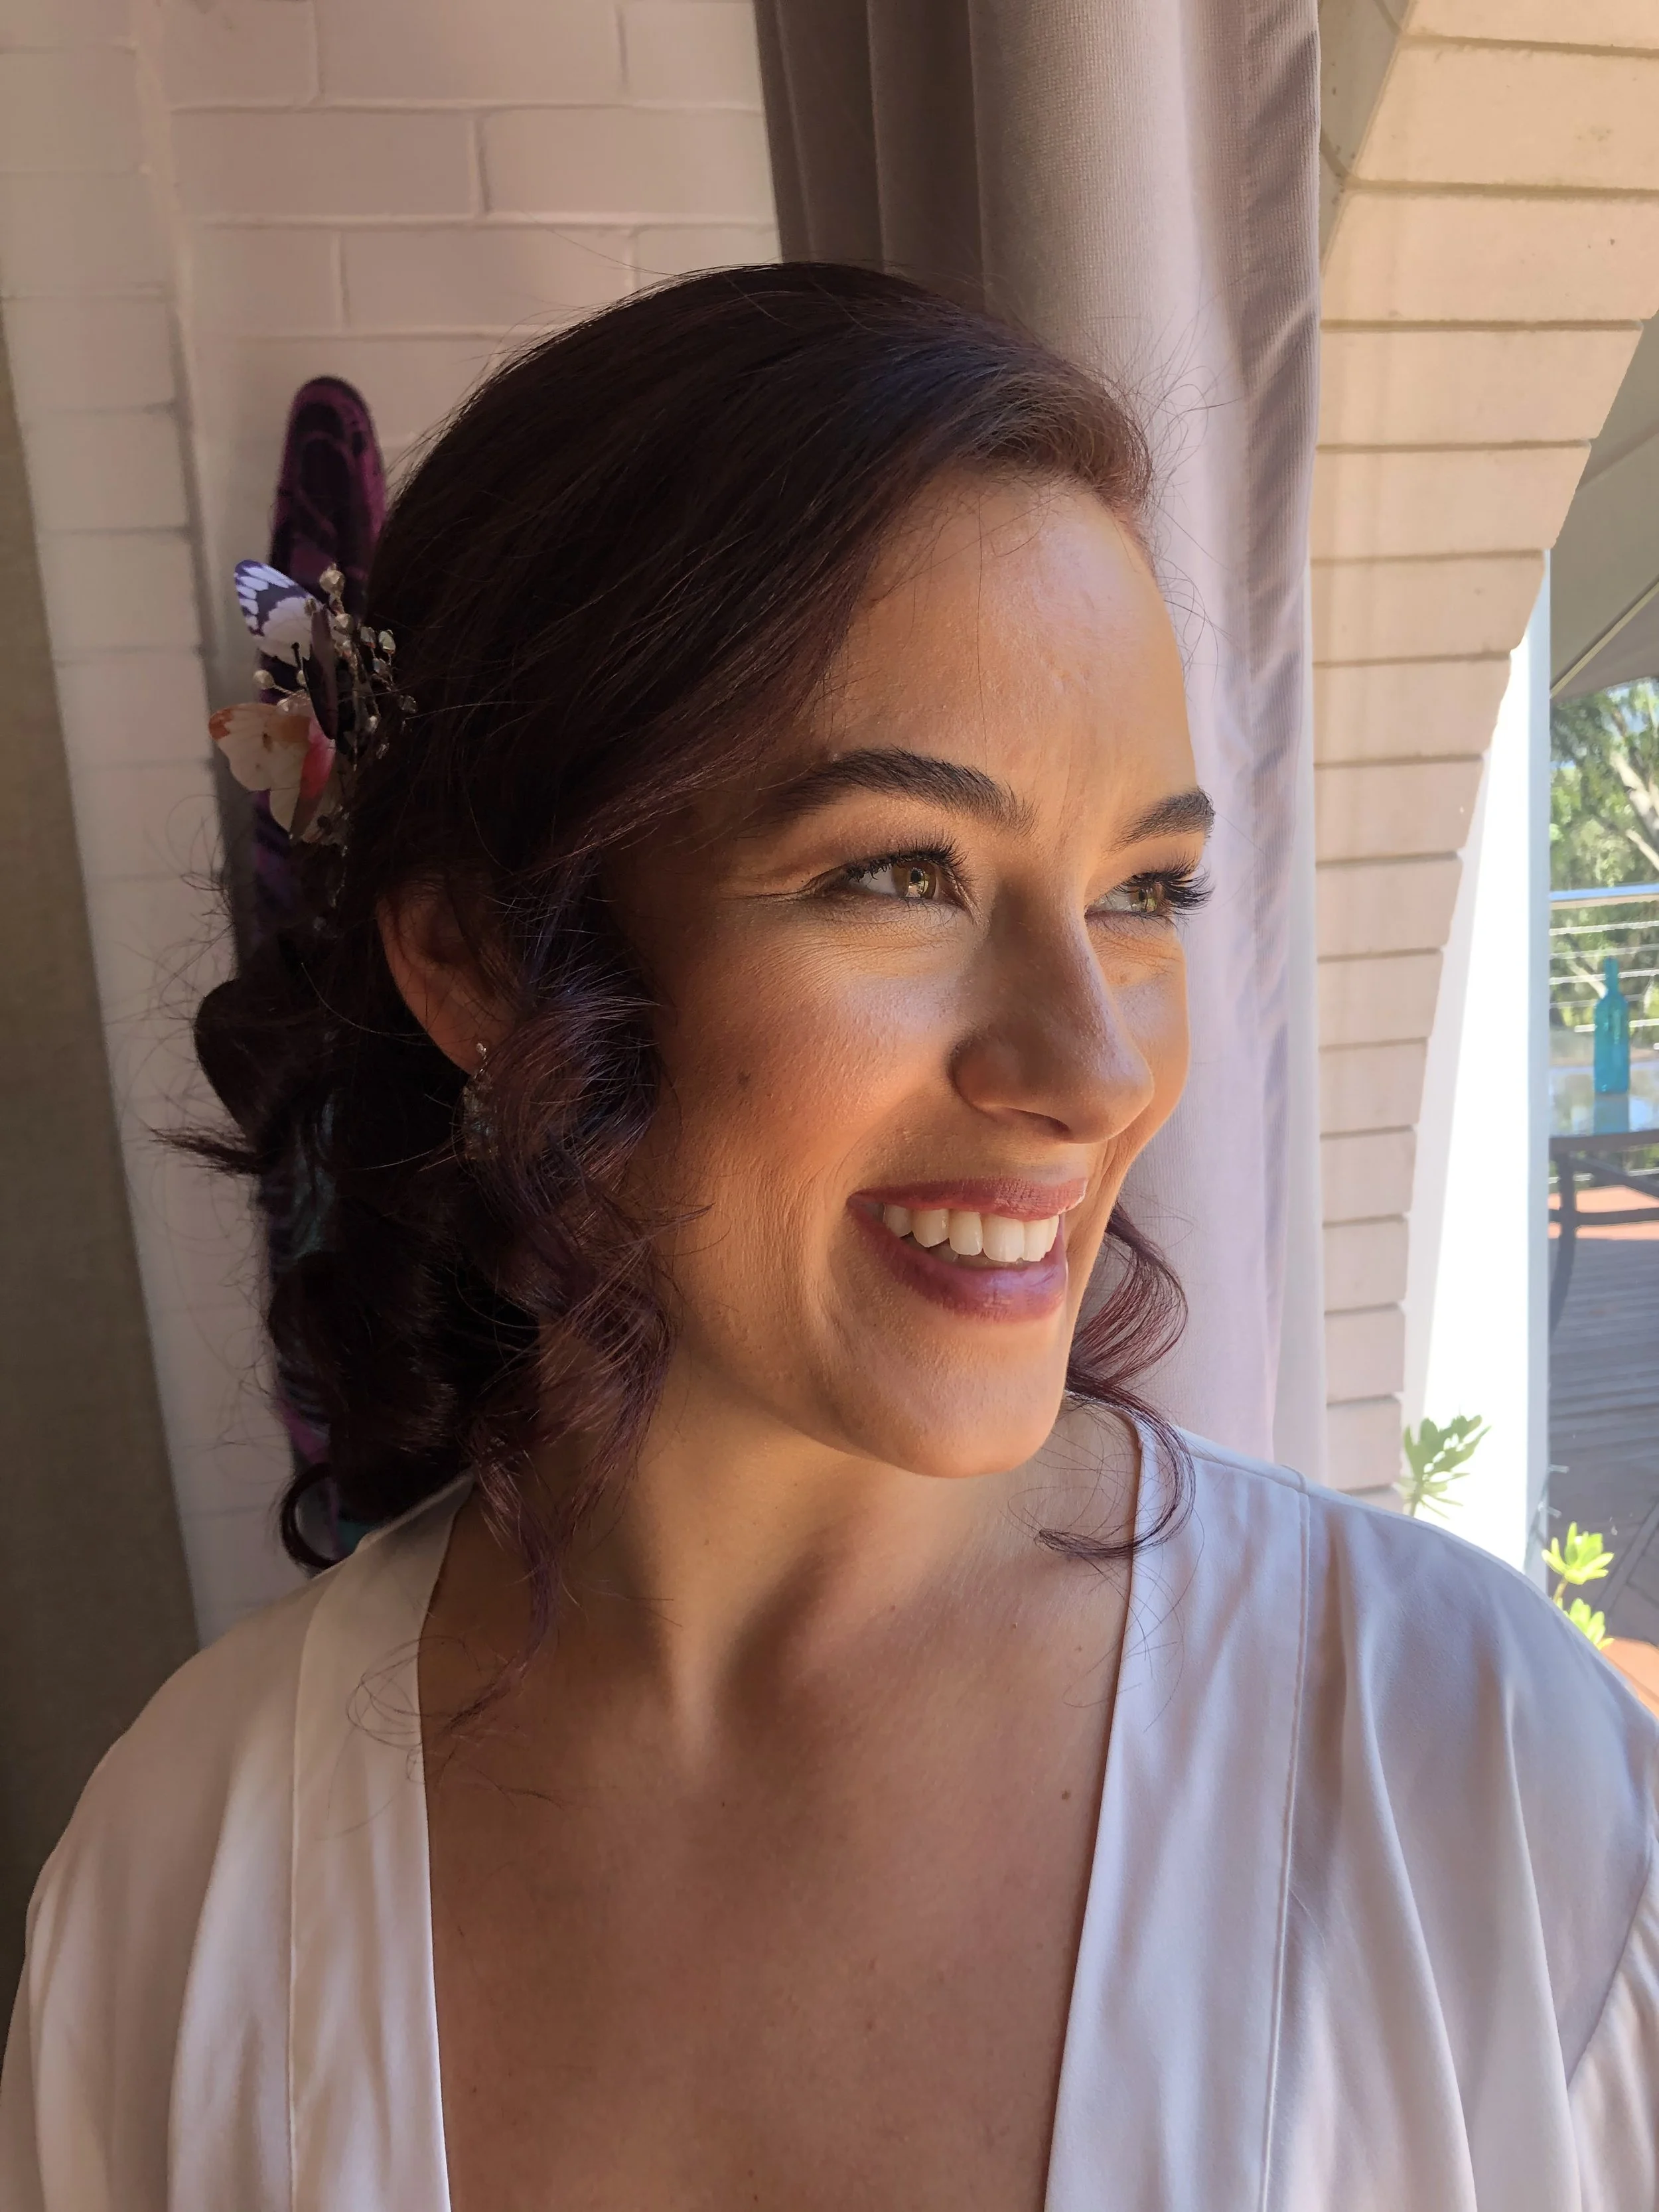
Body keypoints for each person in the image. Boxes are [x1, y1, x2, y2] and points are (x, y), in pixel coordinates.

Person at [2, 264, 1655, 2211]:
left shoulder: (1476, 1790)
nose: (1092, 1068)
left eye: (1146, 888)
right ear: (475, 958)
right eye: (898, 872)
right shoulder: (180, 1881)